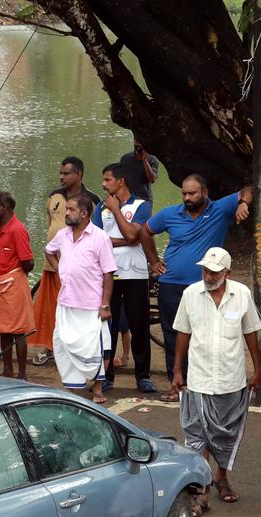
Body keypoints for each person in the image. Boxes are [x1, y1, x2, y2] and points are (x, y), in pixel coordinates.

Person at [146, 174, 253, 401]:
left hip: (205, 286)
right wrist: (153, 261)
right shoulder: (169, 214)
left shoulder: (220, 209)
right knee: (173, 336)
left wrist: (243, 203)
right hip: (171, 284)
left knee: (204, 335)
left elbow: (249, 189)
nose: (187, 197)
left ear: (205, 192)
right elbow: (145, 231)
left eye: (192, 193)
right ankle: (176, 385)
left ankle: (202, 385)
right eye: (184, 193)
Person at [172, 247, 261, 513]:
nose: (208, 276)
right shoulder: (190, 294)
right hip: (198, 377)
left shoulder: (241, 294)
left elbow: (251, 333)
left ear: (227, 273)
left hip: (231, 378)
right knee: (198, 435)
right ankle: (201, 490)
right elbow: (182, 333)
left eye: (213, 272)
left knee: (226, 434)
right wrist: (177, 369)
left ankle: (221, 477)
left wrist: (257, 369)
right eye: (205, 271)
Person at [94, 163, 160, 394]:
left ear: (121, 181)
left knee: (139, 324)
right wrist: (127, 240)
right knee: (107, 325)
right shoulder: (100, 207)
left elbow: (134, 234)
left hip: (135, 274)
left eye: (107, 180)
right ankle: (106, 375)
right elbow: (96, 239)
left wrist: (116, 212)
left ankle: (143, 376)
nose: (103, 184)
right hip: (108, 274)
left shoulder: (141, 205)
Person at [46, 193, 116, 403]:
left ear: (84, 213)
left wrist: (105, 304)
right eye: (66, 208)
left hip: (92, 305)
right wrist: (60, 268)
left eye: (71, 209)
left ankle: (97, 390)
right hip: (66, 302)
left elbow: (108, 273)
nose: (66, 213)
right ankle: (73, 389)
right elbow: (49, 251)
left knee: (97, 346)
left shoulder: (100, 237)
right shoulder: (63, 235)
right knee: (63, 344)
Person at [32, 157, 101, 366]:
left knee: (76, 308)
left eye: (66, 173)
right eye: (60, 173)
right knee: (49, 308)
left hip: (79, 268)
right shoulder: (54, 197)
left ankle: (75, 349)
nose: (61, 177)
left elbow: (95, 231)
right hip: (53, 264)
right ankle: (48, 347)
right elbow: (51, 224)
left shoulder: (92, 200)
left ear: (78, 174)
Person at [0, 190, 35, 380]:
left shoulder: (17, 229)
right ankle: (8, 370)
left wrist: (12, 277)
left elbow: (28, 262)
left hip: (13, 286)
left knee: (19, 331)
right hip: (0, 286)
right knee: (4, 328)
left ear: (3, 207)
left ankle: (21, 374)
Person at [118, 138, 160, 205]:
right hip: (127, 199)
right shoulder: (125, 158)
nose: (139, 144)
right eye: (137, 141)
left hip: (144, 200)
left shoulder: (152, 160)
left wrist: (145, 161)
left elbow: (152, 179)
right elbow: (119, 178)